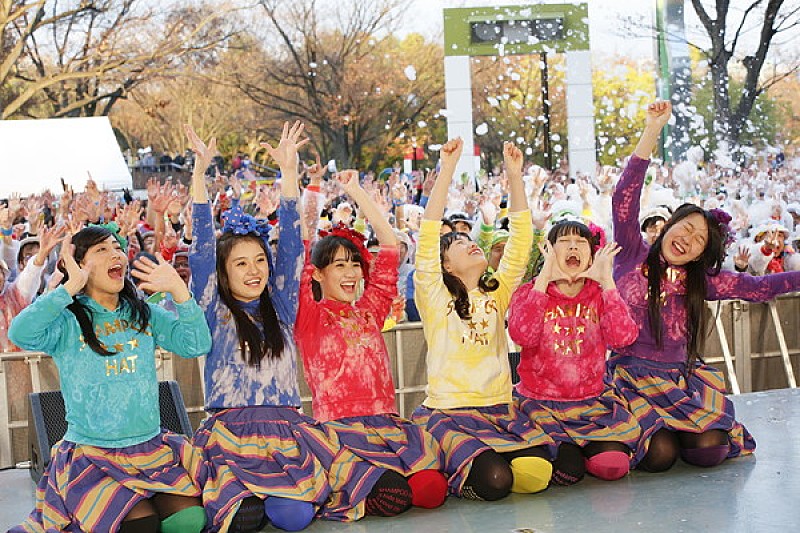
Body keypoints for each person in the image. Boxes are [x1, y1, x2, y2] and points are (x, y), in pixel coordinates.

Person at [610, 100, 800, 472]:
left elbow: (758, 287)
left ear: (701, 254)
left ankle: (678, 430)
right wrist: (652, 129)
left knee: (710, 450)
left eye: (699, 240)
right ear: (669, 225)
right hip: (629, 378)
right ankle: (652, 436)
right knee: (660, 455)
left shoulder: (702, 280)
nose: (689, 240)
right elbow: (624, 197)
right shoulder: (632, 252)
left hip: (678, 381)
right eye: (686, 228)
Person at [8, 225, 212, 533]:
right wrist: (68, 289)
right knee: (140, 524)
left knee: (189, 519)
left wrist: (180, 292)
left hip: (150, 449)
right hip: (92, 456)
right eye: (102, 249)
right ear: (78, 264)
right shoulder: (67, 319)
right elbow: (19, 333)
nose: (115, 254)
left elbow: (196, 344)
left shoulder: (144, 313)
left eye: (117, 248)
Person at [186, 122, 331, 532]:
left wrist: (289, 172)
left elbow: (292, 246)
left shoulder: (281, 305)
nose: (254, 271)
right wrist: (199, 174)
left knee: (294, 517)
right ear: (223, 271)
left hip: (285, 432)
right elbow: (201, 248)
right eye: (241, 263)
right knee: (242, 518)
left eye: (260, 260)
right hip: (230, 436)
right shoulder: (212, 306)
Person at [295, 169, 447, 521]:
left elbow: (390, 246)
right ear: (317, 273)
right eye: (339, 266)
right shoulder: (310, 316)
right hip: (340, 432)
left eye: (355, 265)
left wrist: (356, 191)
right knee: (394, 495)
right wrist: (313, 189)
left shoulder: (370, 310)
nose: (351, 273)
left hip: (387, 425)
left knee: (432, 490)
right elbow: (301, 245)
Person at [411, 139, 553, 502]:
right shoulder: (434, 296)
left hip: (499, 408)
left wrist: (515, 176)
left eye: (470, 240)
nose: (471, 244)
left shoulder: (497, 293)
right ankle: (449, 467)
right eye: (458, 244)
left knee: (539, 474)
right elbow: (428, 235)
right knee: (496, 481)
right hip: (450, 413)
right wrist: (447, 168)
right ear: (445, 265)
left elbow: (520, 242)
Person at [508, 220, 640, 485]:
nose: (573, 247)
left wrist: (607, 283)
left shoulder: (600, 294)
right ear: (549, 251)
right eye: (564, 242)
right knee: (568, 471)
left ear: (592, 255)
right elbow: (523, 336)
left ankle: (585, 450)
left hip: (592, 405)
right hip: (539, 406)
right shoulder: (529, 291)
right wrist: (543, 280)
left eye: (580, 243)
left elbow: (623, 338)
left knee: (613, 466)